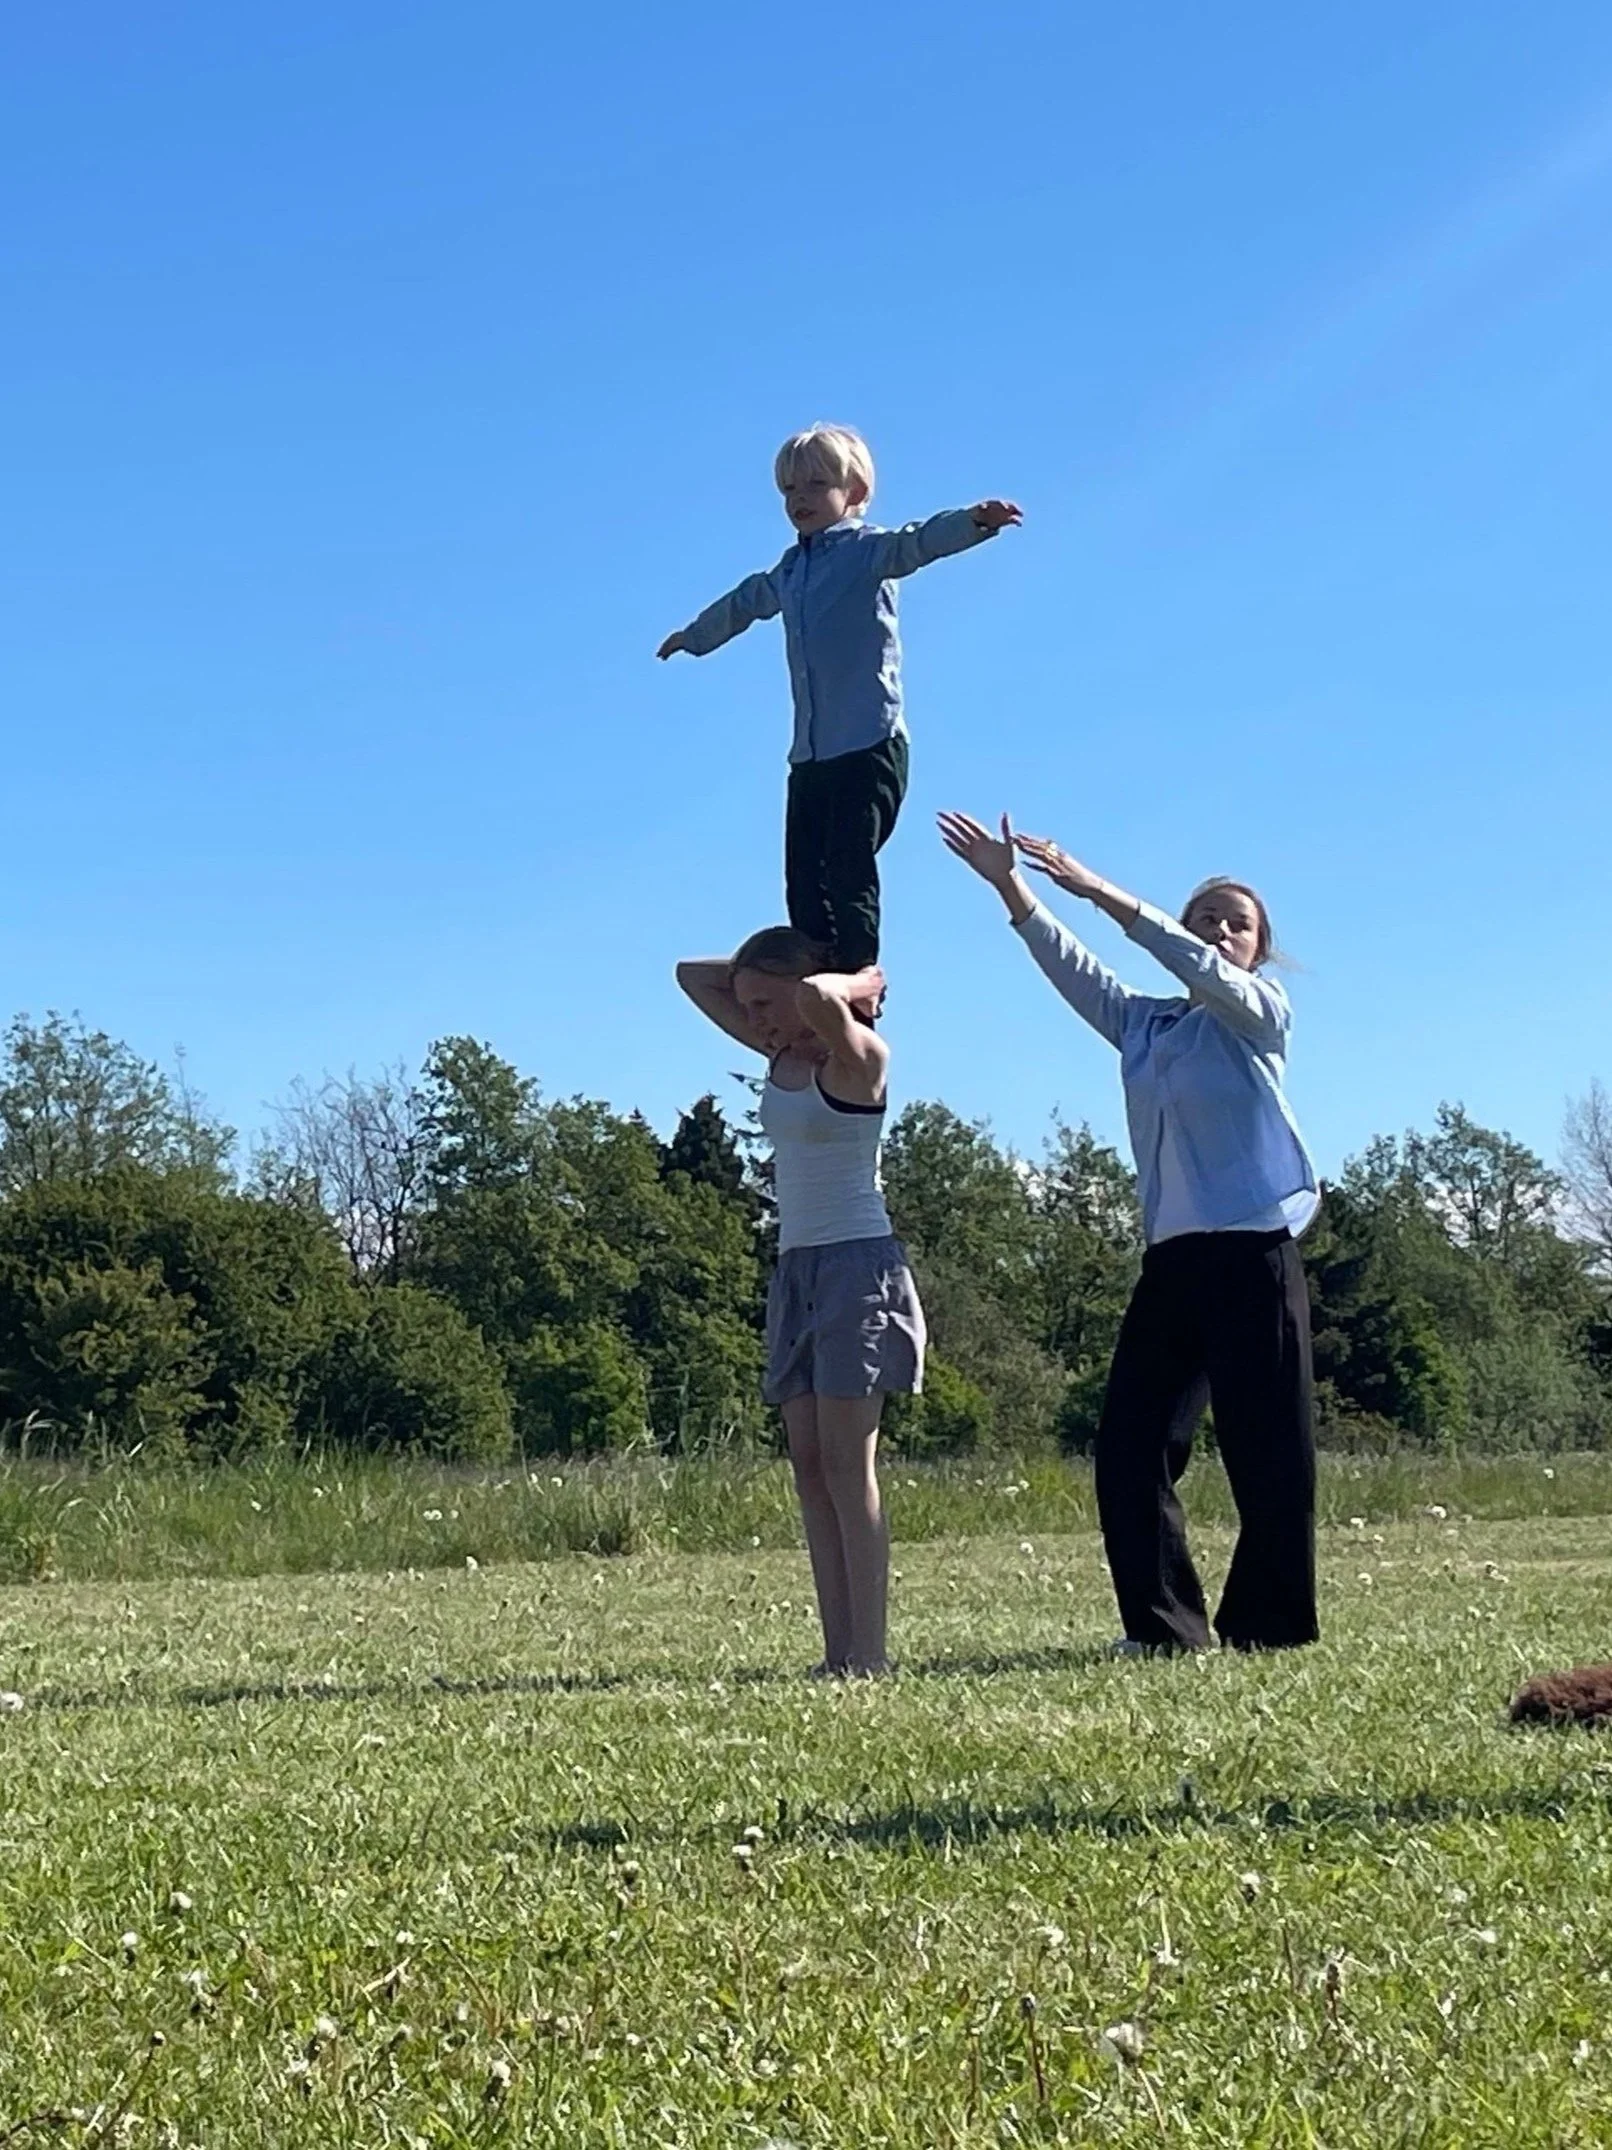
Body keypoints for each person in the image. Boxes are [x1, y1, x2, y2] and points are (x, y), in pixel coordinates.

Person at [938, 809, 1321, 1654]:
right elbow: (1074, 970)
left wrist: (1099, 890)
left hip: (1254, 1252)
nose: (1217, 931)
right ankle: (1163, 1628)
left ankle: (1268, 1626)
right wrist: (1012, 885)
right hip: (1173, 1262)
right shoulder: (1147, 1026)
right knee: (1130, 1444)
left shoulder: (1261, 1017)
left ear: (1259, 949)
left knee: (1268, 1450)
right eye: (1204, 917)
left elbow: (1190, 963)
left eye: (1236, 923)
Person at [658, 424, 1021, 970]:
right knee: (803, 875)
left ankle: (859, 977)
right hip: (811, 756)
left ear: (854, 492)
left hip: (869, 744)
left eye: (815, 485)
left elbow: (920, 542)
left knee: (847, 864)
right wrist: (693, 637)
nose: (798, 499)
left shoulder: (869, 551)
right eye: (789, 490)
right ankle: (810, 972)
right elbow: (744, 603)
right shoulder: (790, 572)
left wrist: (975, 521)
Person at [675, 927, 924, 1675]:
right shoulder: (778, 1054)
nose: (754, 1019)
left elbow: (816, 995)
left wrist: (853, 983)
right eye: (748, 1005)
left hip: (858, 1270)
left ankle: (870, 1655)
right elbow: (690, 974)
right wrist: (765, 979)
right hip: (797, 1270)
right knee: (811, 1469)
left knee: (849, 1467)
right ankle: (836, 1652)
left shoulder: (860, 1059)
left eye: (764, 1004)